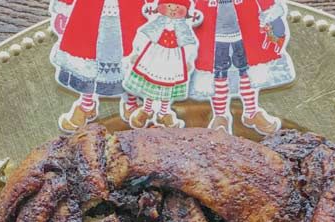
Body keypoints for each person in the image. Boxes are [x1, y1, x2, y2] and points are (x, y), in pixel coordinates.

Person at [190, 0, 294, 135]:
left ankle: (251, 112)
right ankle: (220, 116)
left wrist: (274, 18)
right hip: (211, 38)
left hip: (246, 33)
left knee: (247, 73)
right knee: (218, 76)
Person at [49, 0, 147, 132]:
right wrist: (64, 8)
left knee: (129, 63)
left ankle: (131, 103)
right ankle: (86, 106)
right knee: (87, 64)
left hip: (131, 16)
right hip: (89, 16)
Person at [124, 1, 200, 129]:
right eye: (169, 5)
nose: (173, 9)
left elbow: (189, 44)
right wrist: (137, 52)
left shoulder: (184, 28)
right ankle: (147, 110)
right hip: (153, 56)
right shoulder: (157, 22)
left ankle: (163, 113)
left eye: (178, 7)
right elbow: (144, 36)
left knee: (167, 86)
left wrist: (188, 60)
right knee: (150, 84)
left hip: (173, 60)